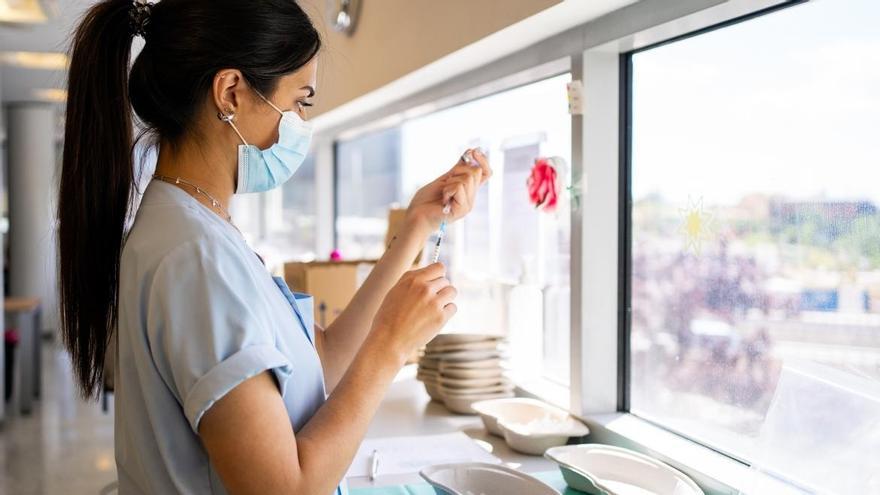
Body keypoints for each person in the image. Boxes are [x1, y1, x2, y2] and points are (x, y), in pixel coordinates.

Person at [56, 1, 491, 493]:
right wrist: (391, 347)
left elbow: (319, 357)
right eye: (300, 101)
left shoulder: (196, 225)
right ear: (231, 93)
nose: (302, 123)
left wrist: (416, 225)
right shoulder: (195, 257)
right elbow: (285, 488)